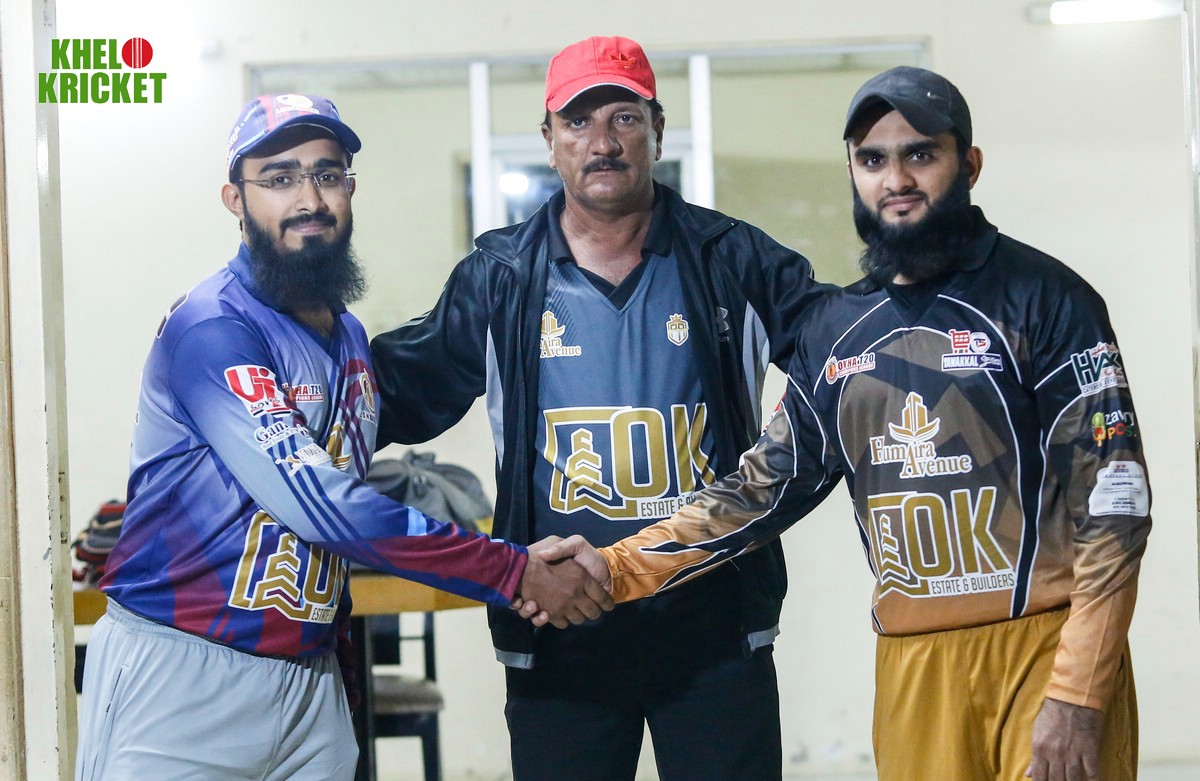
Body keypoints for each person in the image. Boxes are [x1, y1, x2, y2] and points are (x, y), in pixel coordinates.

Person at [535, 66, 1151, 781]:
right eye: (873, 159)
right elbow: (755, 494)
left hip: (1044, 659)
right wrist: (614, 566)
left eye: (921, 154)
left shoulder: (1047, 299)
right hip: (913, 669)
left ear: (969, 164)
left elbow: (1116, 506)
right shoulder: (838, 330)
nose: (897, 179)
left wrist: (1078, 691)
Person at [74, 93, 611, 781]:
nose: (309, 199)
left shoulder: (348, 334)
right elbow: (320, 504)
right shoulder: (212, 328)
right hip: (183, 674)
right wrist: (511, 571)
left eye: (327, 175)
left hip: (309, 678)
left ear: (350, 190)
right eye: (279, 178)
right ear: (235, 199)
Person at [369, 36, 827, 781]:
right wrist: (281, 370)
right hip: (559, 624)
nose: (602, 142)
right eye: (578, 122)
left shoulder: (731, 259)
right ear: (549, 140)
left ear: (657, 130)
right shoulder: (500, 277)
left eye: (624, 118)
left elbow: (847, 355)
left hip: (711, 623)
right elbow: (396, 389)